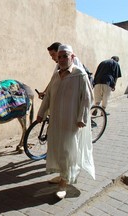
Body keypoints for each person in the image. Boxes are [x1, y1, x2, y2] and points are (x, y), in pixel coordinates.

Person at [36, 44, 95, 199]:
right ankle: (62, 175)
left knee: (68, 151)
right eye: (60, 56)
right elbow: (48, 96)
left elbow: (88, 99)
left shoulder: (79, 75)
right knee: (56, 149)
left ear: (72, 57)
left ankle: (64, 183)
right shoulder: (56, 75)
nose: (61, 59)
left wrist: (82, 118)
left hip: (71, 122)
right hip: (56, 121)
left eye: (65, 56)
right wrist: (41, 113)